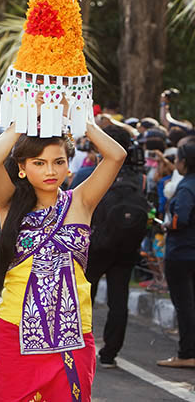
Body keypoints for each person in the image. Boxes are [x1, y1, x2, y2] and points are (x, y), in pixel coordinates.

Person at [0, 122, 126, 401]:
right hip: (15, 331)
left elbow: (116, 156)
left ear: (69, 165)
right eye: (39, 163)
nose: (50, 170)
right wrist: (21, 119)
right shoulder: (9, 205)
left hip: (73, 335)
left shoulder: (82, 201)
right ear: (22, 168)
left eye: (59, 162)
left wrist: (79, 119)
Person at [84, 124, 148, 368]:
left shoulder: (93, 173)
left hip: (96, 244)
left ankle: (79, 339)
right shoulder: (140, 178)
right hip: (128, 246)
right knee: (119, 299)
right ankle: (110, 353)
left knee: (84, 294)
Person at [157, 142, 195, 368]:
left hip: (181, 254)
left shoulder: (186, 187)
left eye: (179, 159)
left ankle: (186, 353)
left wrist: (167, 225)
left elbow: (181, 218)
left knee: (184, 306)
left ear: (185, 162)